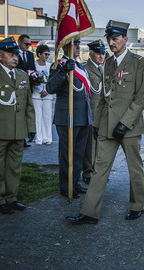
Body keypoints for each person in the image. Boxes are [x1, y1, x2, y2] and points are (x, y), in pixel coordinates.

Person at [66, 20, 144, 224]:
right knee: (99, 168)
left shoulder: (139, 62)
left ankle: (137, 205)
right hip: (107, 126)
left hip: (129, 127)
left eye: (115, 39)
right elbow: (104, 97)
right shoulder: (108, 63)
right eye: (109, 39)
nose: (111, 43)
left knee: (134, 168)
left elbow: (141, 98)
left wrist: (125, 122)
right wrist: (96, 124)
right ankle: (89, 212)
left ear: (125, 39)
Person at [0, 37, 36, 214]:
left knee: (14, 167)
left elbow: (29, 105)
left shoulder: (23, 76)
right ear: (0, 56)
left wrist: (31, 127)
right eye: (11, 54)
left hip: (18, 129)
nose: (15, 58)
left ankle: (11, 197)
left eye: (16, 54)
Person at [46, 40, 91, 199]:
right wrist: (63, 71)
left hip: (83, 117)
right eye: (75, 45)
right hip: (67, 117)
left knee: (79, 154)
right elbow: (50, 88)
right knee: (67, 154)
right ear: (66, 47)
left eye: (79, 45)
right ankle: (66, 187)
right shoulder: (58, 66)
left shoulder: (80, 66)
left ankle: (75, 183)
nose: (78, 47)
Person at [82, 39, 106, 184]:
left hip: (103, 113)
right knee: (91, 145)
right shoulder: (85, 68)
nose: (101, 56)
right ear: (90, 54)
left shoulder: (105, 68)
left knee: (102, 145)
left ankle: (98, 172)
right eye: (98, 53)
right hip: (91, 112)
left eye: (103, 53)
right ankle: (88, 173)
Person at [17, 34, 36, 148]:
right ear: (19, 42)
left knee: (27, 112)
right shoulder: (14, 54)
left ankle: (26, 136)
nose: (28, 46)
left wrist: (36, 78)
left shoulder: (30, 55)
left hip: (29, 87)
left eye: (29, 44)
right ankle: (20, 139)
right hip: (18, 87)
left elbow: (32, 69)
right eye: (26, 44)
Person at [32, 44, 53, 145]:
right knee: (38, 117)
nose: (47, 56)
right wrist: (40, 90)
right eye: (45, 54)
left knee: (47, 117)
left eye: (48, 54)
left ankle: (47, 138)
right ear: (39, 54)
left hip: (48, 95)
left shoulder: (50, 66)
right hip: (37, 95)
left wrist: (47, 91)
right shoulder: (33, 65)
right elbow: (32, 79)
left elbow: (53, 80)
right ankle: (39, 138)